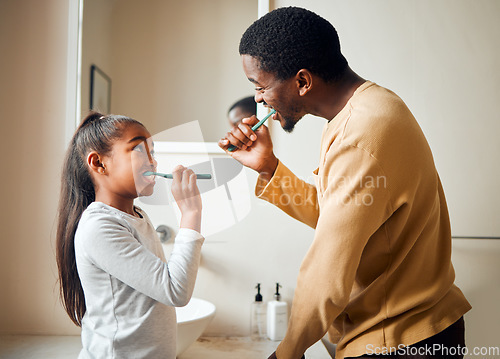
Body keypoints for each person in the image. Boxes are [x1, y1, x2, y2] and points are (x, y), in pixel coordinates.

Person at [219, 7, 471, 359]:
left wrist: (287, 352)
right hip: (420, 329)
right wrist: (269, 167)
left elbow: (328, 268)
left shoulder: (359, 134)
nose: (258, 99)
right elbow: (341, 212)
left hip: (397, 340)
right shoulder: (370, 108)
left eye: (260, 86)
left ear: (303, 81)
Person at [56, 112, 204, 359]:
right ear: (98, 163)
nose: (153, 162)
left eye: (152, 152)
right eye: (138, 150)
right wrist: (191, 213)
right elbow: (175, 291)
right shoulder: (99, 226)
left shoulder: (137, 215)